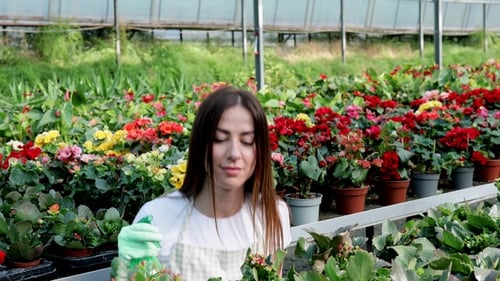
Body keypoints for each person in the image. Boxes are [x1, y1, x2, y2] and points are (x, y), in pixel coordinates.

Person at [118, 85, 292, 281]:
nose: (234, 153)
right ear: (200, 146)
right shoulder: (156, 218)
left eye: (247, 141)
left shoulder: (272, 214)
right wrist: (127, 271)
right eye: (219, 139)